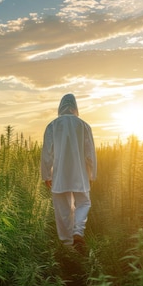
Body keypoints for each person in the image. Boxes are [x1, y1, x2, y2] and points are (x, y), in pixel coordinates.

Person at [41, 93, 97, 253]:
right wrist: (92, 174)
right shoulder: (84, 125)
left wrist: (47, 175)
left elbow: (47, 153)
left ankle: (67, 247)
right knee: (84, 202)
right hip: (80, 174)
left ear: (60, 107)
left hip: (59, 176)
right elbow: (90, 153)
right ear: (75, 107)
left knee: (63, 210)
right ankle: (78, 232)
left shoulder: (52, 125)